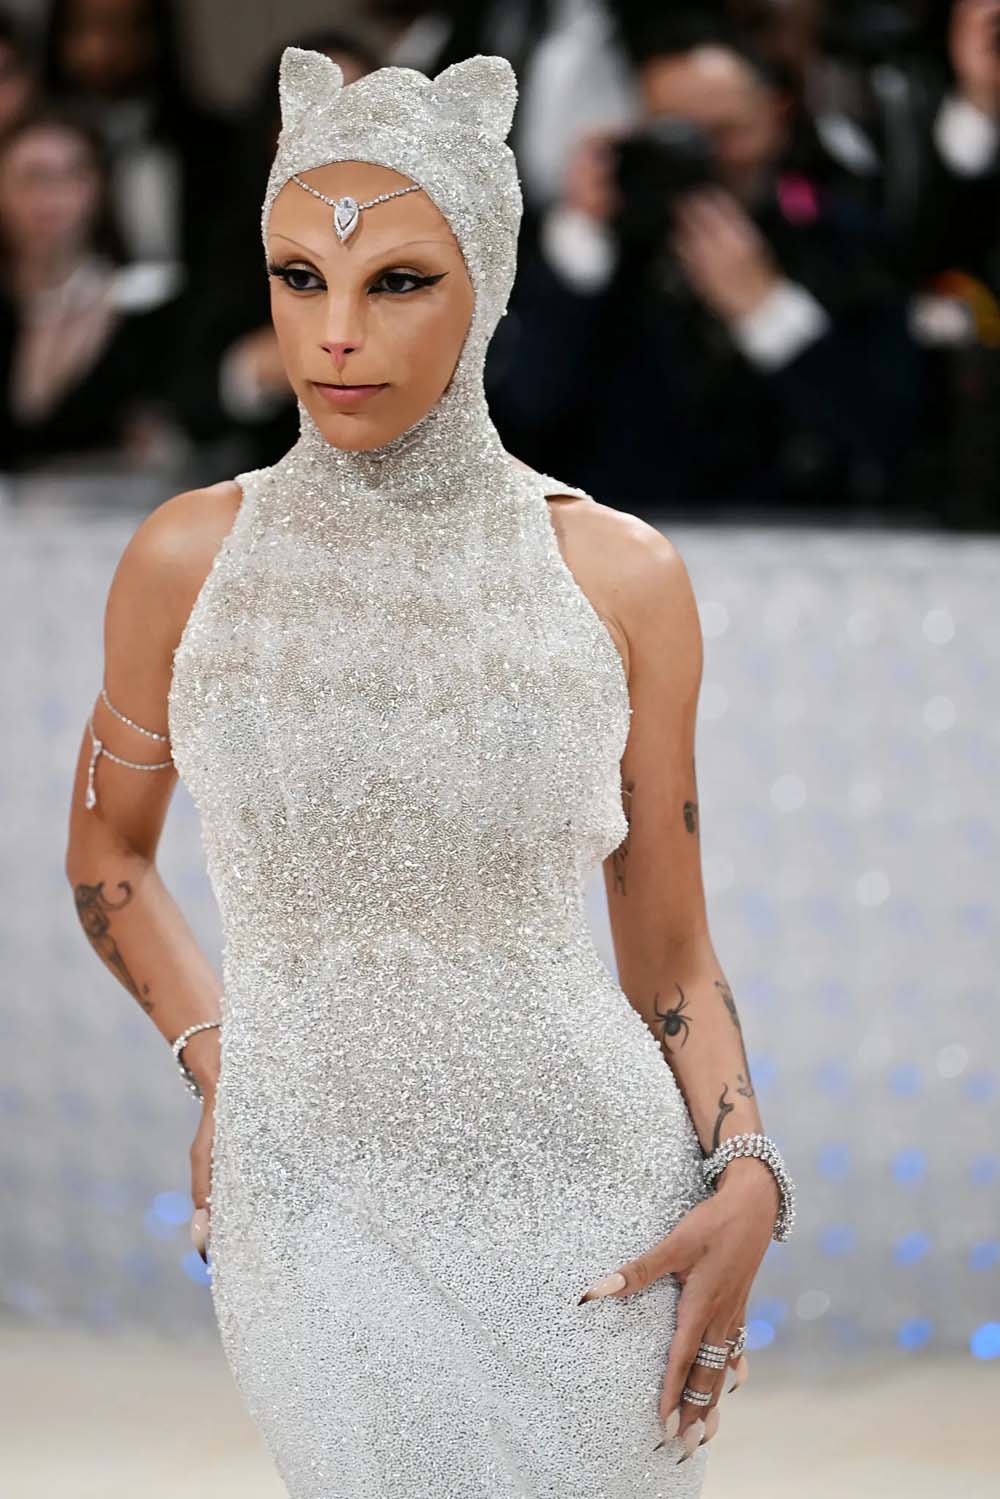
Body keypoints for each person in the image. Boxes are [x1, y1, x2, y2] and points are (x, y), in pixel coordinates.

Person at [64, 48, 795, 1493]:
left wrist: (750, 1169)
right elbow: (108, 858)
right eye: (299, 277)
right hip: (305, 1195)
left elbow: (670, 951)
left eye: (398, 281)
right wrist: (226, 1068)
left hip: (589, 1187)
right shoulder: (186, 561)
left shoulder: (618, 576)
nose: (335, 332)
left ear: (491, 286)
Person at [487, 25, 925, 520]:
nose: (704, 160)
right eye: (676, 136)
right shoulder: (594, 250)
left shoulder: (845, 243)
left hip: (797, 530)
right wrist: (581, 245)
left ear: (777, 119)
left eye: (727, 133)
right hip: (624, 529)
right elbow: (519, 418)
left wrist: (768, 312)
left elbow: (890, 437)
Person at [0, 103, 180, 468]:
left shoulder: (146, 303)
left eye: (73, 174)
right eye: (33, 177)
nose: (53, 196)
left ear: (99, 186)